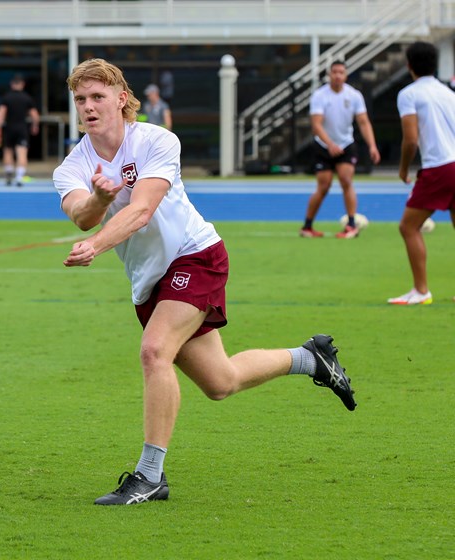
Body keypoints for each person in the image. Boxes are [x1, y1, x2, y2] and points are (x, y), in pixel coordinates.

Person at [53, 58, 356, 506]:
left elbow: (141, 210)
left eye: (98, 97)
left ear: (121, 99)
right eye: (81, 99)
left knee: (154, 351)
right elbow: (79, 214)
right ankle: (310, 358)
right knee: (221, 382)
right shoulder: (73, 164)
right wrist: (97, 199)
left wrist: (98, 244)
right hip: (150, 280)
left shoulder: (157, 140)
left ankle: (150, 475)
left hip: (195, 256)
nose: (88, 107)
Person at [388, 41, 455, 306]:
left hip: (440, 166)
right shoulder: (449, 92)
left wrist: (404, 168)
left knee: (408, 226)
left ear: (409, 65)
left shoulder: (409, 94)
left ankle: (421, 290)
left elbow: (411, 140)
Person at [300, 61, 381, 239]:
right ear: (329, 75)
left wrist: (372, 145)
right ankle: (307, 226)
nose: (337, 75)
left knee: (346, 180)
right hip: (323, 146)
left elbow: (363, 122)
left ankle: (351, 225)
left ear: (345, 75)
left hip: (346, 144)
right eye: (334, 72)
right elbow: (316, 125)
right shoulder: (320, 96)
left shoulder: (354, 95)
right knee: (324, 186)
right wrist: (330, 144)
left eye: (341, 72)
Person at [0, 74, 40, 187]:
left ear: (12, 84)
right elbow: (34, 115)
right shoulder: (27, 98)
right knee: (22, 153)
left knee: (8, 152)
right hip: (21, 128)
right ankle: (19, 177)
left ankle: (8, 175)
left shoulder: (6, 97)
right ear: (22, 85)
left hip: (9, 128)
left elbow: (1, 114)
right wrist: (35, 126)